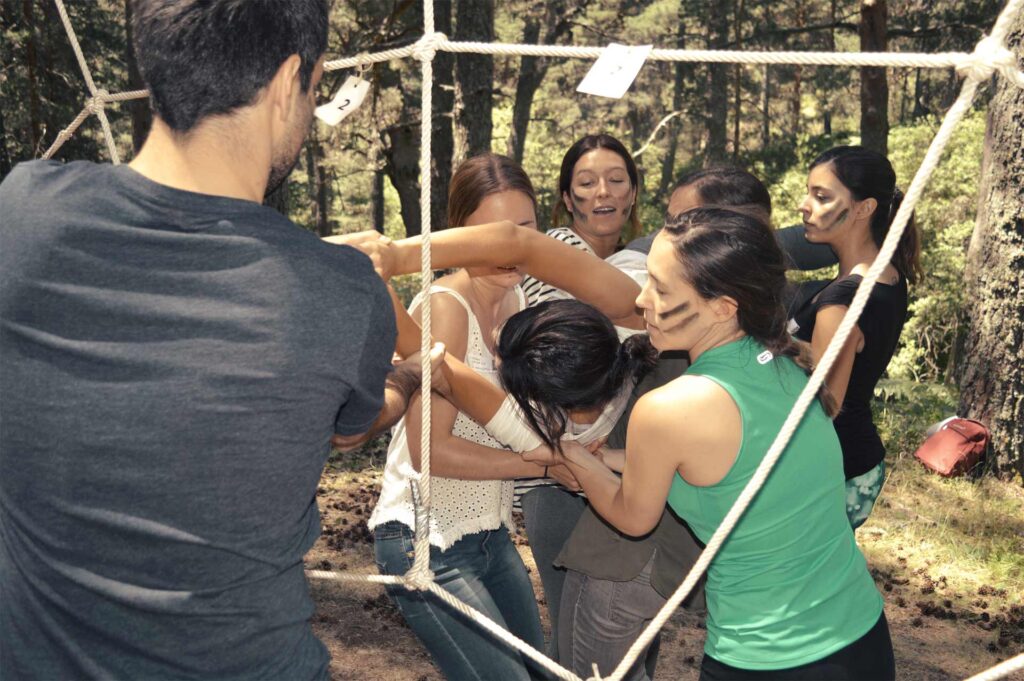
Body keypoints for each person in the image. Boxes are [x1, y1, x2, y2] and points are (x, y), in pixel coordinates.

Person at [0, 2, 427, 679]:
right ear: (290, 79)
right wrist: (409, 378)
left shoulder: (21, 215)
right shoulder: (341, 291)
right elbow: (353, 425)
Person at [550, 207, 895, 680]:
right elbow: (730, 466)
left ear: (723, 306)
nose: (642, 299)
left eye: (661, 288)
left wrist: (575, 460)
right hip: (861, 637)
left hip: (766, 657)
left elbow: (632, 517)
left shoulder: (670, 407)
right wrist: (609, 457)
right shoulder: (790, 362)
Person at [367, 153, 604, 681]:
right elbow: (433, 451)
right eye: (490, 233)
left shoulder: (521, 300)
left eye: (522, 229)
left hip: (490, 533)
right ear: (460, 235)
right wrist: (542, 467)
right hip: (425, 539)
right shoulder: (445, 306)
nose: (506, 248)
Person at [788, 146, 921, 529]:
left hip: (830, 474)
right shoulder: (889, 274)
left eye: (822, 196)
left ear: (864, 209)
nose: (804, 206)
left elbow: (824, 405)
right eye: (808, 192)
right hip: (852, 464)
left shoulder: (843, 299)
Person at [521, 133, 641, 305]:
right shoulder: (557, 251)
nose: (603, 191)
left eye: (616, 179)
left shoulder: (632, 257)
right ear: (568, 200)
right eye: (587, 183)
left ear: (633, 193)